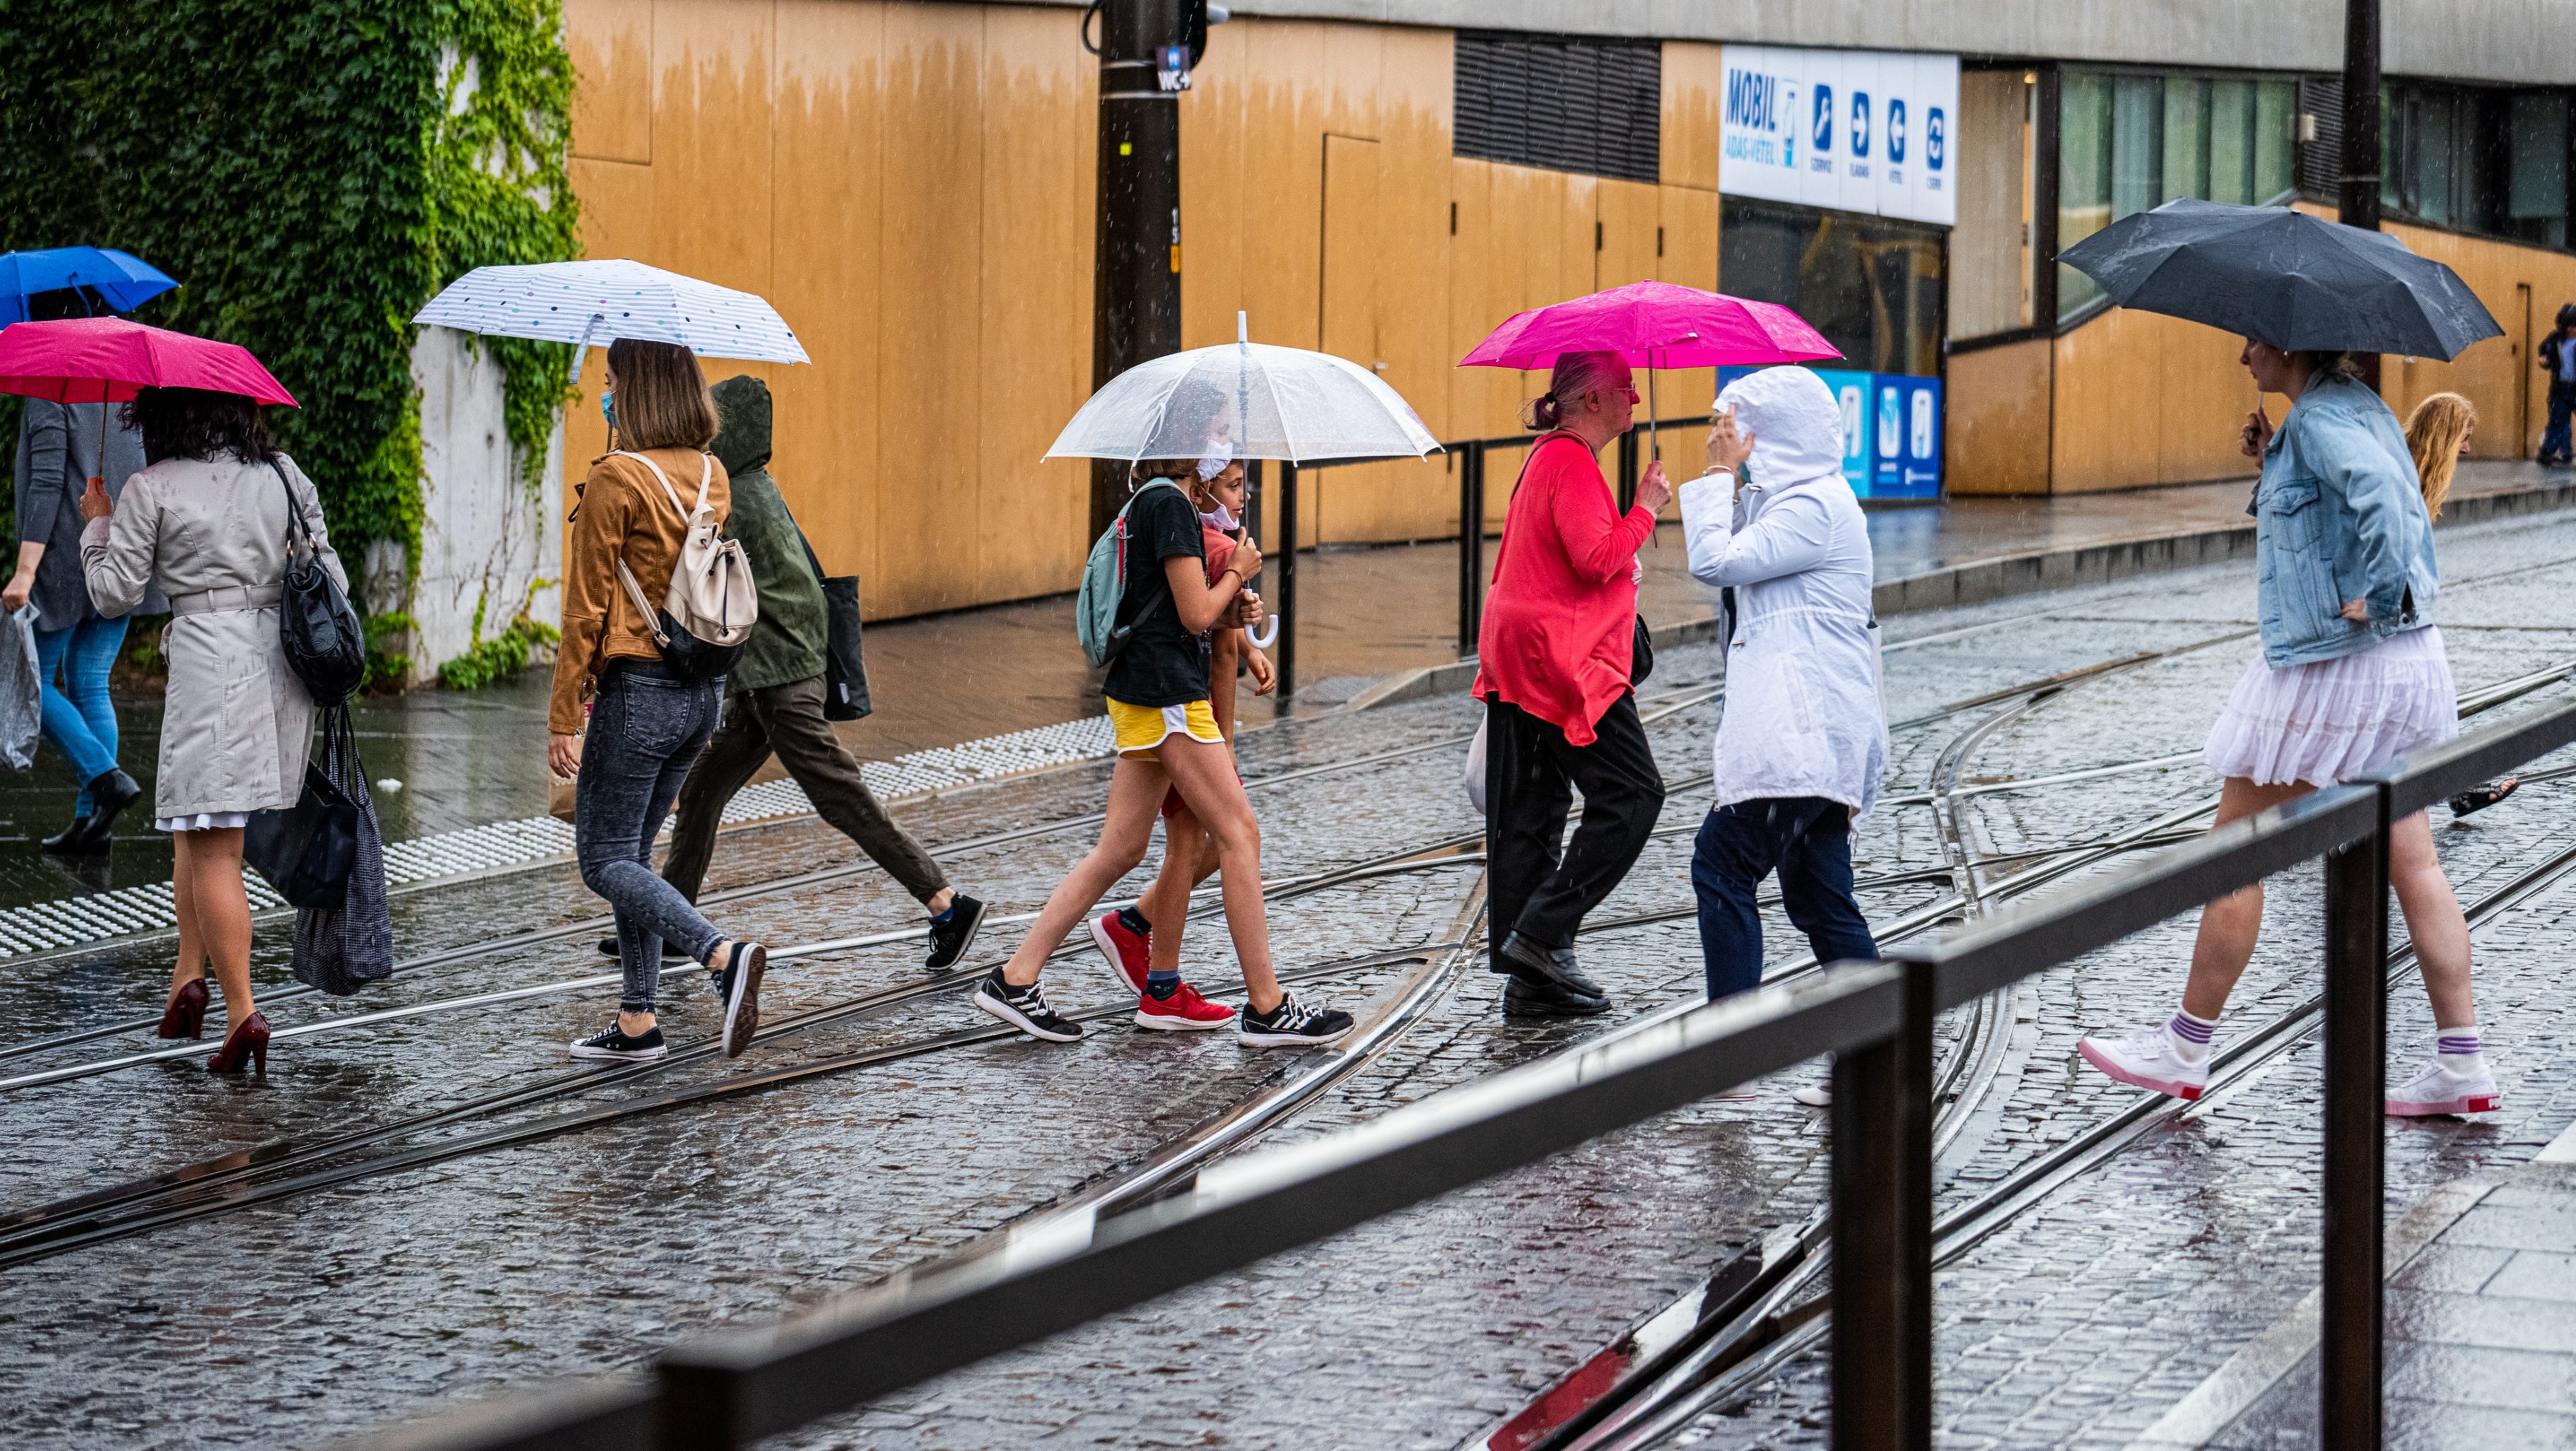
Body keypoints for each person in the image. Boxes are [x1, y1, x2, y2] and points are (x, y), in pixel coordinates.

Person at [2079, 340, 2495, 1117]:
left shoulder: (2321, 418)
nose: (2239, 354)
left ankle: (2183, 1045)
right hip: (2406, 659)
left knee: (2235, 847)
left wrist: (2376, 594)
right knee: (2413, 858)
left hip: (2337, 663)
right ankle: (2460, 1059)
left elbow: (2377, 496)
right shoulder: (2352, 408)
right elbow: (2346, 506)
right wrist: (2275, 459)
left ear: (2286, 345)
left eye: (2251, 341)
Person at [972, 450, 1351, 1048]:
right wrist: (1239, 570)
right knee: (1239, 834)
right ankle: (1268, 1007)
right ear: (1191, 456)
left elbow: (1184, 610)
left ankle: (1015, 978)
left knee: (1120, 848)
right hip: (1168, 694)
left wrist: (1236, 607)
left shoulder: (1148, 501)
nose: (1222, 458)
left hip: (1140, 691)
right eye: (1214, 445)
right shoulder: (1170, 506)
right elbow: (1194, 614)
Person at [630, 375, 988, 972]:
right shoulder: (752, 485)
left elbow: (680, 563)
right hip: (769, 673)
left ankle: (946, 902)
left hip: (782, 677)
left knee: (838, 794)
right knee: (703, 788)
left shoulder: (730, 494)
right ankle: (673, 924)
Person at [78, 384, 345, 1073]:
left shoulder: (153, 485)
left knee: (215, 844)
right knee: (193, 831)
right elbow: (328, 569)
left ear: (165, 419)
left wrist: (98, 525)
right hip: (280, 666)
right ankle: (186, 978)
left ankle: (241, 1013)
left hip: (209, 667)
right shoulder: (283, 475)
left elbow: (115, 594)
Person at [549, 339, 771, 1063]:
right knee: (634, 855)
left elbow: (585, 609)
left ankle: (720, 954)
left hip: (639, 690)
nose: (602, 395)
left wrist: (561, 716)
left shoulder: (617, 478)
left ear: (635, 391)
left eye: (610, 382)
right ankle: (638, 1018)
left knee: (603, 859)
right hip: (701, 691)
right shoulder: (712, 473)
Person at [1678, 367, 1887, 1047]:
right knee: (1821, 898)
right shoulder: (1798, 502)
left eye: (1732, 426)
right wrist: (1732, 487)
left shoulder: (1813, 508)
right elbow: (1740, 564)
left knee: (1721, 862)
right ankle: (1876, 1053)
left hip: (1801, 735)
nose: (1721, 437)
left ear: (1771, 433)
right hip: (1811, 732)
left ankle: (1734, 1049)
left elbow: (1715, 562)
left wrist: (1717, 477)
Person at [1473, 351, 1672, 1018]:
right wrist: (1644, 510)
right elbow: (1597, 559)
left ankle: (1533, 979)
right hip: (1561, 653)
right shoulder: (1569, 462)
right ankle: (1540, 931)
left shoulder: (1550, 457)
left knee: (1535, 809)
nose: (1635, 401)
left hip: (1519, 648)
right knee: (1634, 793)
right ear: (1591, 400)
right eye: (1626, 390)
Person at [1085, 452, 1277, 1030]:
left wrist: (1247, 642)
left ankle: (1154, 975)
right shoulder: (1207, 541)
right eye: (1234, 485)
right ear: (1203, 484)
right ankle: (1256, 1002)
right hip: (1189, 716)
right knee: (1216, 840)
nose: (1243, 497)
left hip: (1188, 713)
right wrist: (1239, 579)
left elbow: (1213, 625)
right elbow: (1200, 620)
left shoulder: (1202, 535)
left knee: (1179, 844)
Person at [6, 287, 161, 854]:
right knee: (90, 682)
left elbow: (47, 482)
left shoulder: (52, 385)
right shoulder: (121, 384)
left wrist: (25, 572)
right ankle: (91, 820)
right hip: (123, 554)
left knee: (33, 683)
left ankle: (105, 776)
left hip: (67, 565)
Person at [2404, 393, 2518, 818]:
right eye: (2464, 437)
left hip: (2406, 616)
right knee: (2420, 702)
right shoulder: (2399, 473)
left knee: (2426, 704)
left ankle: (2456, 787)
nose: (2468, 448)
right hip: (2393, 618)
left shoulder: (2416, 474)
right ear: (2444, 435)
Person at [2538, 304, 2576, 466]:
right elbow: (2544, 350)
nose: (2570, 331)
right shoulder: (2556, 340)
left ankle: (2560, 451)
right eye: (2568, 327)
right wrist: (2545, 359)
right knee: (2559, 419)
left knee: (2560, 420)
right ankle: (2552, 451)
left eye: (2573, 327)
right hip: (2560, 387)